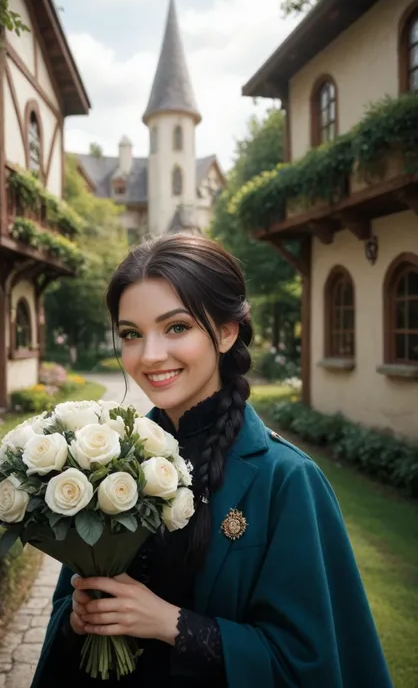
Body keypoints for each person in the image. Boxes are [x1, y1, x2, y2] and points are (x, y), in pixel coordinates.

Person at [31, 234, 393, 688]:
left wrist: (170, 623)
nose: (150, 355)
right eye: (131, 334)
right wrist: (79, 617)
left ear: (226, 331)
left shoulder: (287, 480)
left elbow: (307, 663)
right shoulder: (99, 464)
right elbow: (67, 609)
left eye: (177, 327)